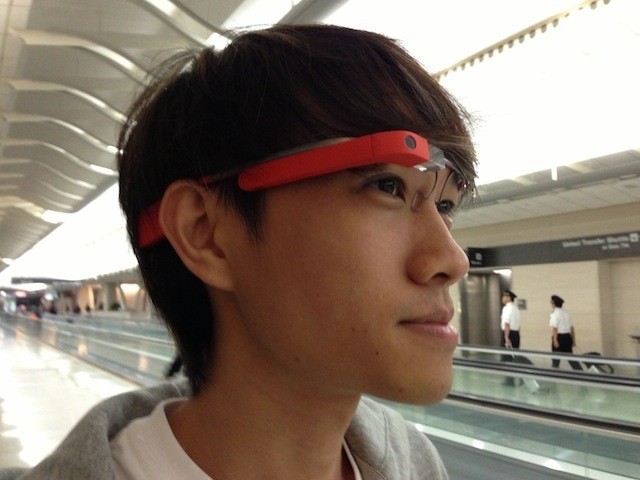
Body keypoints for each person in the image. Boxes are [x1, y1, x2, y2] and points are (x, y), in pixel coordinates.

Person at [0, 24, 477, 480]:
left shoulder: (418, 465)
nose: (452, 260)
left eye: (445, 206)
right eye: (388, 186)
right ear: (206, 233)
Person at [549, 294, 582, 370]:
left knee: (556, 359)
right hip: (568, 337)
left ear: (553, 303)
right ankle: (580, 372)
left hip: (559, 337)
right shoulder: (567, 313)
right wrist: (573, 340)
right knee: (571, 358)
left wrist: (555, 340)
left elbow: (555, 328)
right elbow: (572, 328)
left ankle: (554, 374)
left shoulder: (554, 313)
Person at [499, 289, 521, 386]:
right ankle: (517, 379)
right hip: (516, 334)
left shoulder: (506, 308)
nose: (503, 298)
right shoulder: (516, 309)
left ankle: (509, 381)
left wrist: (506, 337)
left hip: (508, 334)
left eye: (504, 296)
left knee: (507, 358)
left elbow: (506, 323)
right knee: (514, 357)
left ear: (509, 297)